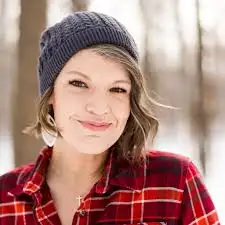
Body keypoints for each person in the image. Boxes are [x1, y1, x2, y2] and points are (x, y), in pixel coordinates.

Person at [0, 11, 220, 225]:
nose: (99, 107)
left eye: (117, 89)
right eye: (79, 84)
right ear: (51, 94)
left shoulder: (176, 184)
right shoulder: (5, 198)